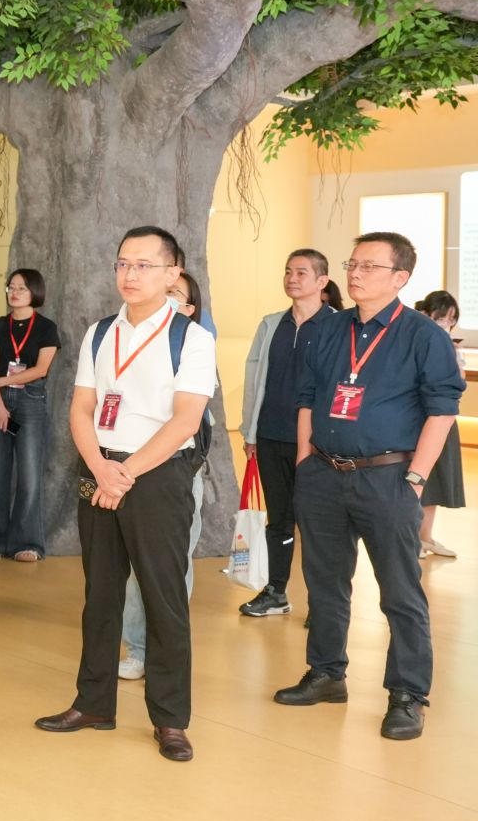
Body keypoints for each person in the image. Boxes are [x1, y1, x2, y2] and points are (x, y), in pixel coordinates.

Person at [35, 226, 215, 763]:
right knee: (101, 594)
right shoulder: (100, 333)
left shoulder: (191, 338)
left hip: (156, 474)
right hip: (101, 467)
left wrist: (126, 473)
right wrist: (100, 467)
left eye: (143, 265)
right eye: (122, 264)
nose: (130, 275)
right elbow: (81, 408)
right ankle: (93, 703)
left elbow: (186, 420)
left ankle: (170, 719)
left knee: (163, 597)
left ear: (172, 273)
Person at [277, 233, 464, 740]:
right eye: (353, 264)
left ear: (400, 278)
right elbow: (308, 397)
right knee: (324, 583)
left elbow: (443, 411)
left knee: (400, 592)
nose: (356, 274)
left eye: (370, 267)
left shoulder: (423, 336)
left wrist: (416, 479)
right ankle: (326, 674)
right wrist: (305, 462)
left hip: (388, 477)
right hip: (323, 474)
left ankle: (407, 695)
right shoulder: (329, 328)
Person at [118, 268, 219, 680]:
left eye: (175, 293)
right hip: (125, 468)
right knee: (133, 569)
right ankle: (137, 647)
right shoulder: (120, 338)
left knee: (171, 566)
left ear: (189, 309)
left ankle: (162, 651)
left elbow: (187, 421)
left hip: (174, 471)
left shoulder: (194, 345)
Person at [237, 250, 340, 615]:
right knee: (279, 519)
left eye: (301, 272)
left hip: (317, 444)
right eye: (288, 271)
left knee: (316, 523)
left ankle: (322, 605)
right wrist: (250, 431)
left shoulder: (338, 326)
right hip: (269, 435)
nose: (292, 278)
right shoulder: (271, 324)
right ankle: (276, 592)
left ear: (322, 281)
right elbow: (254, 379)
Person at [0, 268, 60, 560]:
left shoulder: (46, 327)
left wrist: (1, 382)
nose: (14, 293)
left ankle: (27, 543)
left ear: (35, 292)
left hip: (30, 401)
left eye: (21, 288)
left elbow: (41, 369)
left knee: (29, 474)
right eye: (11, 287)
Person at [414, 291, 464, 558]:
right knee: (417, 479)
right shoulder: (415, 339)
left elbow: (459, 382)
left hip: (444, 419)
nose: (446, 323)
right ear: (426, 313)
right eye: (442, 316)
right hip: (418, 419)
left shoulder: (450, 346)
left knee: (437, 481)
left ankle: (426, 538)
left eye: (451, 319)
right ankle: (412, 539)